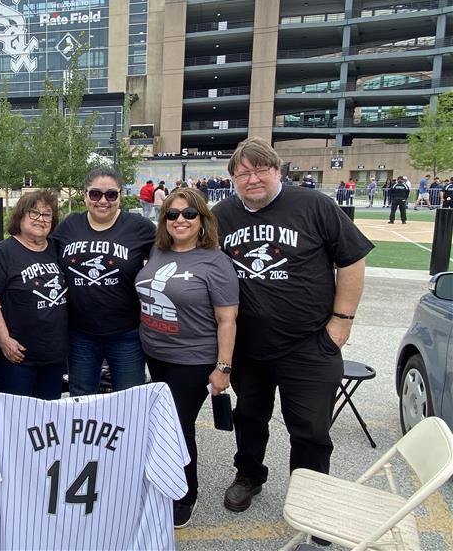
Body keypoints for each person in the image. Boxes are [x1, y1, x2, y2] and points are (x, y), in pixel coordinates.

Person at [212, 137, 372, 515]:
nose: (252, 179)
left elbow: (351, 260)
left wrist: (342, 322)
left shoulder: (314, 205)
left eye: (260, 170)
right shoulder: (221, 215)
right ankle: (249, 475)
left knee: (312, 429)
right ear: (233, 178)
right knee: (249, 416)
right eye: (243, 173)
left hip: (309, 343)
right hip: (250, 345)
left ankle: (311, 495)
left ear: (278, 170)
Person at [136, 187, 238, 528]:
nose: (180, 220)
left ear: (202, 220)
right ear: (164, 220)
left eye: (189, 214)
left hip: (192, 360)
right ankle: (165, 482)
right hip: (155, 355)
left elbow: (227, 319)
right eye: (172, 214)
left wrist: (223, 367)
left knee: (177, 428)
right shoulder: (157, 252)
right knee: (162, 425)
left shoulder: (215, 261)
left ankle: (184, 495)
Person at [52, 167, 155, 396]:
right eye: (95, 194)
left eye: (111, 195)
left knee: (130, 401)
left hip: (126, 334)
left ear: (120, 195)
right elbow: (39, 251)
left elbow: (172, 248)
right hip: (81, 334)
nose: (103, 201)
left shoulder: (139, 228)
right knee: (81, 399)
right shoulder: (69, 226)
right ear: (85, 194)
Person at [0, 190, 68, 399]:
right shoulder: (4, 252)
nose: (40, 219)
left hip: (53, 356)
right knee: (17, 420)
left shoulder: (57, 249)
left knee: (47, 419)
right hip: (17, 356)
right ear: (20, 216)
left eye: (47, 214)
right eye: (34, 213)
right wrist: (4, 340)